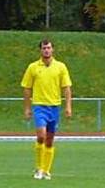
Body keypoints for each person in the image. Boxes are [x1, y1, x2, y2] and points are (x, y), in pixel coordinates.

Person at [20, 39, 73, 180]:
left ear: (53, 50)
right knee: (41, 136)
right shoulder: (33, 67)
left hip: (54, 107)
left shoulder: (60, 67)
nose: (46, 50)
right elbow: (27, 88)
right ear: (40, 50)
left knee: (49, 140)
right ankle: (39, 168)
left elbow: (66, 88)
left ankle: (46, 170)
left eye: (49, 48)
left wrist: (68, 106)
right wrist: (27, 108)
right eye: (44, 48)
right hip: (39, 106)